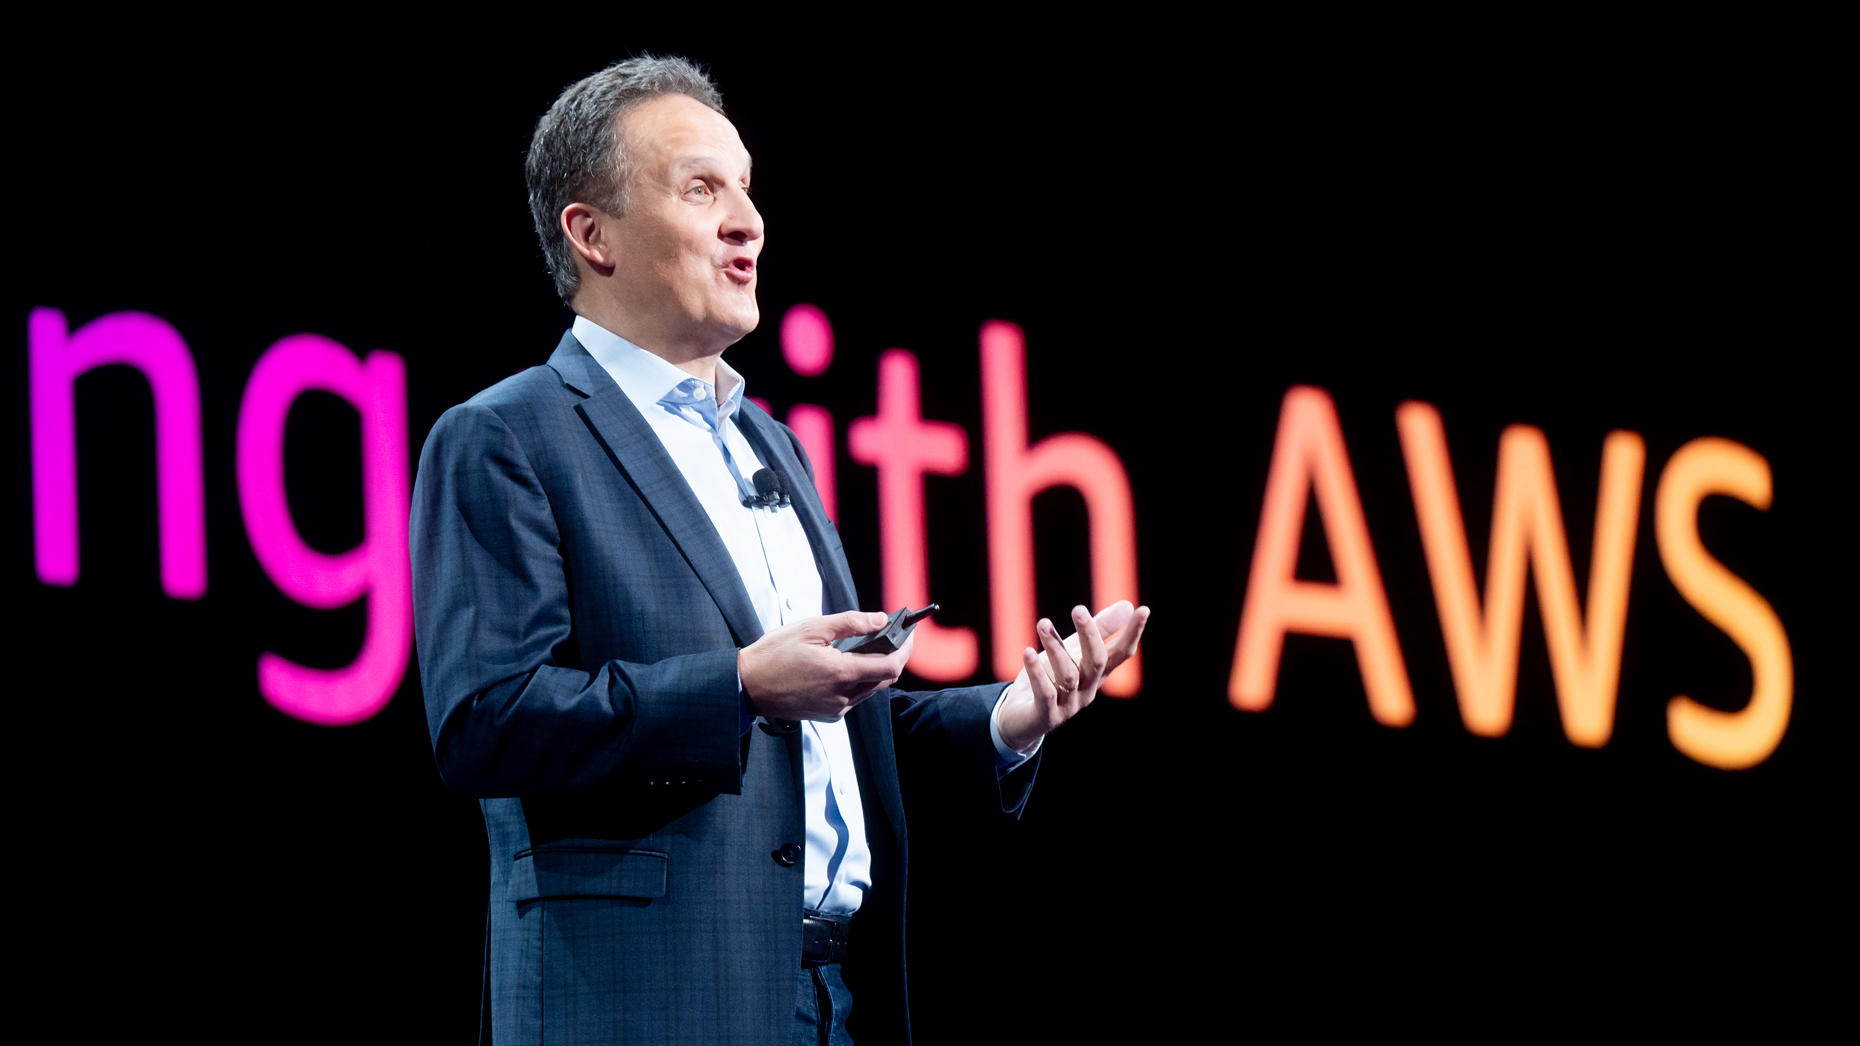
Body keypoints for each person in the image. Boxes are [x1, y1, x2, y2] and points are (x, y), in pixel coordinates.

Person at [411, 56, 1148, 1046]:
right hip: (644, 1004)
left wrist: (1006, 717)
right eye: (701, 187)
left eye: (748, 186)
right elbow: (487, 721)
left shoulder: (771, 442)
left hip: (834, 1000)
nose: (748, 220)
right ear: (591, 235)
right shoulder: (509, 436)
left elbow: (827, 718)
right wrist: (742, 686)